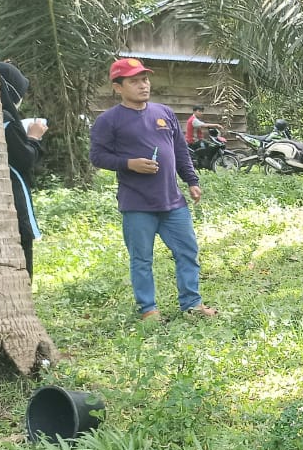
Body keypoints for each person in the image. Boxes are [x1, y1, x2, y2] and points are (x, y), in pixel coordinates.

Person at [89, 57, 217, 321]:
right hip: (137, 204)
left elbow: (180, 150)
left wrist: (192, 181)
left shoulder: (164, 113)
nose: (143, 85)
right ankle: (148, 309)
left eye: (144, 79)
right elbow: (97, 156)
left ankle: (192, 304)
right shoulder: (108, 120)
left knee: (187, 253)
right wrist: (129, 164)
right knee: (142, 260)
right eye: (134, 81)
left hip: (173, 202)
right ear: (118, 87)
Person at [0, 61, 47, 278]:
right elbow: (24, 159)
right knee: (22, 256)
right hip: (12, 198)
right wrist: (34, 138)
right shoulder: (5, 119)